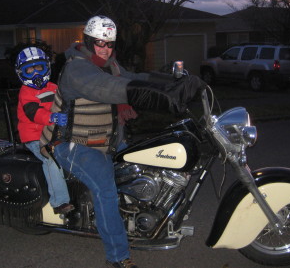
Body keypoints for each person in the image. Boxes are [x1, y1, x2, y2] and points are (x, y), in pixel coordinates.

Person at [40, 16, 205, 268]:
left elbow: (133, 77)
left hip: (108, 141)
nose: (105, 48)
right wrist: (161, 98)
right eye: (99, 43)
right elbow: (109, 88)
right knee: (105, 190)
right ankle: (117, 258)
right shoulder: (77, 68)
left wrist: (170, 80)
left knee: (150, 164)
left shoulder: (110, 64)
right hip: (74, 144)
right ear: (87, 40)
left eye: (109, 44)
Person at [15, 46, 74, 215]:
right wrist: (52, 118)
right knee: (51, 158)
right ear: (21, 73)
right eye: (29, 70)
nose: (36, 74)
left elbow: (67, 103)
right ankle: (60, 202)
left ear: (46, 67)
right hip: (35, 136)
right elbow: (33, 112)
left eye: (39, 68)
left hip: (56, 133)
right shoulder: (26, 92)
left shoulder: (54, 87)